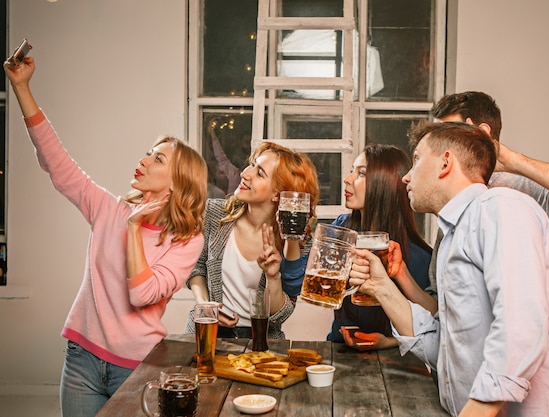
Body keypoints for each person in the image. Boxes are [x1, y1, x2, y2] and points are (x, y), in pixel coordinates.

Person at [4, 57, 208, 417]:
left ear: (179, 183)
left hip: (138, 365)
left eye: (157, 159)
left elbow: (141, 294)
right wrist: (21, 87)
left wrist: (133, 227)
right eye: (148, 153)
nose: (144, 161)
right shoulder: (108, 209)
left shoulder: (186, 241)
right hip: (81, 359)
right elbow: (57, 162)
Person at [349, 121, 549, 416]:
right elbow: (446, 348)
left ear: (445, 162)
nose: (406, 178)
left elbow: (520, 326)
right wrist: (381, 286)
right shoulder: (455, 234)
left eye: (416, 160)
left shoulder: (500, 207)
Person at [185, 141, 320, 339]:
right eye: (252, 165)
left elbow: (280, 315)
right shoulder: (214, 213)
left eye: (259, 173)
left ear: (278, 194)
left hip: (261, 343)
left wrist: (273, 276)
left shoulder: (295, 241)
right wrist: (205, 306)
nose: (245, 173)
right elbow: (196, 266)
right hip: (207, 334)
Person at [431, 91, 549, 237]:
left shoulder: (522, 191)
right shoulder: (449, 195)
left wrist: (510, 159)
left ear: (482, 133)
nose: (437, 145)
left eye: (448, 134)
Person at [327, 144, 433, 350]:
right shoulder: (341, 228)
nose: (347, 179)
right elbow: (319, 288)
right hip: (338, 350)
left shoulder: (417, 257)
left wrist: (390, 342)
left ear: (385, 184)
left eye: (361, 173)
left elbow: (434, 326)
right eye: (352, 171)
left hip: (394, 363)